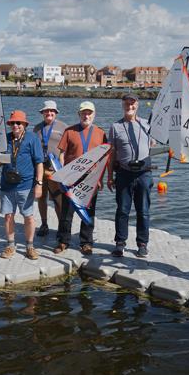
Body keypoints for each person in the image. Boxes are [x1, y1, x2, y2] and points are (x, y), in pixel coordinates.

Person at [0, 110, 44, 260]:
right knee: (8, 216)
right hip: (7, 185)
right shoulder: (4, 139)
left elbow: (39, 163)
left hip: (26, 185)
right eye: (13, 123)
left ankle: (30, 246)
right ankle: (10, 245)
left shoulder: (32, 139)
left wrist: (39, 184)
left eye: (19, 123)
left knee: (28, 217)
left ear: (25, 124)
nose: (15, 125)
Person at [56, 101, 107, 255]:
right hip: (71, 179)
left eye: (89, 113)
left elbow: (105, 157)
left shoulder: (100, 133)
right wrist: (61, 176)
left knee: (89, 213)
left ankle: (86, 242)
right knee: (66, 213)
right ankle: (63, 241)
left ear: (94, 114)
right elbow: (61, 155)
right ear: (79, 114)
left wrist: (100, 179)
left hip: (91, 180)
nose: (86, 115)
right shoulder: (69, 131)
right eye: (83, 113)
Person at [107, 93, 153, 258]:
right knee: (122, 210)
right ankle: (120, 243)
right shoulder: (115, 127)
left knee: (143, 211)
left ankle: (142, 244)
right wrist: (109, 176)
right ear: (122, 105)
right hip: (124, 173)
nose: (130, 106)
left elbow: (155, 142)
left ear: (138, 105)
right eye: (127, 103)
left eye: (132, 103)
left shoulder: (148, 125)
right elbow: (111, 154)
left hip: (144, 174)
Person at [33, 100, 67, 239]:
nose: (49, 113)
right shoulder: (36, 129)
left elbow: (65, 150)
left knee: (58, 200)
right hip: (41, 169)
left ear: (56, 113)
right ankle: (44, 224)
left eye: (52, 111)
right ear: (42, 113)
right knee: (41, 198)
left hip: (56, 171)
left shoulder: (64, 127)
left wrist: (63, 170)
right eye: (46, 111)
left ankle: (61, 227)